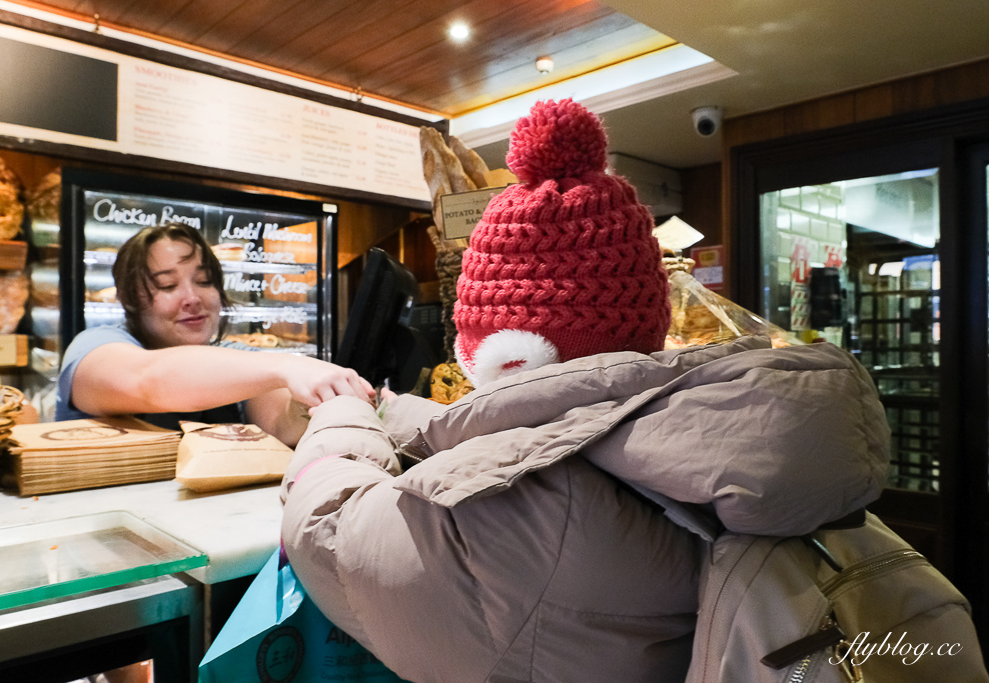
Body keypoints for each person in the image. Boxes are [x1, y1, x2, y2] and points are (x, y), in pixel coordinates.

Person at [279, 100, 891, 682]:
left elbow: (330, 534)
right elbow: (533, 421)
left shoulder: (528, 511)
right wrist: (393, 409)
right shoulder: (732, 450)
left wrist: (340, 417)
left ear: (505, 355)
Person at [55, 222, 373, 446]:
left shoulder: (237, 359)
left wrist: (315, 405)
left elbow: (280, 423)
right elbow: (150, 380)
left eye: (205, 281)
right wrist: (288, 366)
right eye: (167, 285)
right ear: (127, 299)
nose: (192, 298)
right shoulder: (94, 347)